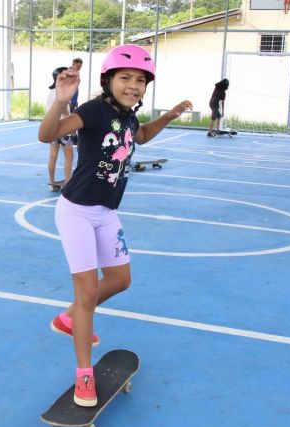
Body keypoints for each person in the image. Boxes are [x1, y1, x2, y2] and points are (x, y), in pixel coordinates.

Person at [38, 44, 192, 407]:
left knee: (121, 280)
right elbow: (48, 135)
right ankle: (84, 376)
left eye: (140, 80)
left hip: (107, 212)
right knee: (87, 295)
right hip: (76, 211)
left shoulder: (129, 117)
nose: (134, 85)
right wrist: (62, 99)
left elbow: (140, 137)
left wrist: (170, 114)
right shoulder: (92, 110)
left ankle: (69, 317)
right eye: (126, 78)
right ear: (109, 80)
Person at [46, 67, 75, 186]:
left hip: (52, 128)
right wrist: (72, 125)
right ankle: (68, 183)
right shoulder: (62, 92)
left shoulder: (51, 92)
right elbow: (63, 110)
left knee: (53, 156)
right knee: (69, 157)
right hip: (64, 129)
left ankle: (52, 182)